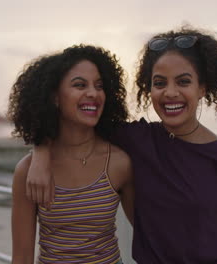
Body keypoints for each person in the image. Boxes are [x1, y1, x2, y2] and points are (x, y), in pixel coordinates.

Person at [26, 26, 217, 264]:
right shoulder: (139, 140)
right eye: (159, 83)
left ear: (202, 87)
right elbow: (77, 120)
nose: (170, 92)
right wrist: (40, 151)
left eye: (183, 81)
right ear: (149, 90)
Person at [8, 45, 134, 264]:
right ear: (55, 97)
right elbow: (21, 257)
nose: (93, 93)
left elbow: (150, 233)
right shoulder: (28, 171)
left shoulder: (119, 163)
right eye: (79, 85)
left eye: (99, 86)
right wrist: (40, 149)